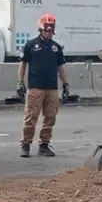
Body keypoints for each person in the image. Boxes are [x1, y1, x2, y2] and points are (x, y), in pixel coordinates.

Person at [16, 13, 71, 157]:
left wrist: (65, 84)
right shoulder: (30, 45)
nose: (49, 32)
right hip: (35, 88)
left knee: (50, 117)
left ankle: (44, 145)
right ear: (41, 29)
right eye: (47, 29)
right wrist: (20, 82)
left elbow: (60, 67)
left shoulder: (56, 48)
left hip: (52, 88)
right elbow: (22, 65)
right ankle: (26, 145)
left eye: (51, 30)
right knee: (31, 117)